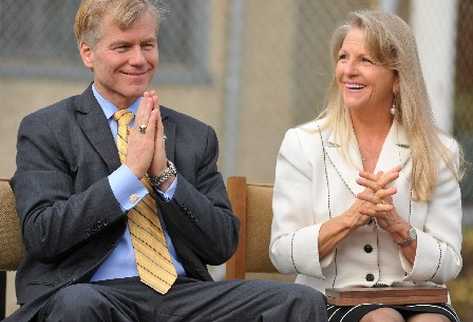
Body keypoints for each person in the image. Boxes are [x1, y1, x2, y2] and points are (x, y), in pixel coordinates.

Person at [6, 1, 328, 321]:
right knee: (79, 305)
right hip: (92, 291)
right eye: (122, 47)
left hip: (181, 295)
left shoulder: (193, 135)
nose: (139, 59)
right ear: (88, 53)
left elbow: (221, 245)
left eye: (148, 44)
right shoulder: (48, 129)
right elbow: (44, 234)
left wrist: (165, 176)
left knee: (301, 301)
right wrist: (129, 175)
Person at [270, 10, 462, 322]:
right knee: (382, 319)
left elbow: (450, 263)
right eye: (344, 57)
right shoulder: (302, 143)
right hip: (332, 298)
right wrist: (351, 218)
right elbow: (281, 252)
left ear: (398, 78)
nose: (349, 70)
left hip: (417, 296)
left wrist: (399, 228)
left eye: (366, 61)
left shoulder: (439, 151)